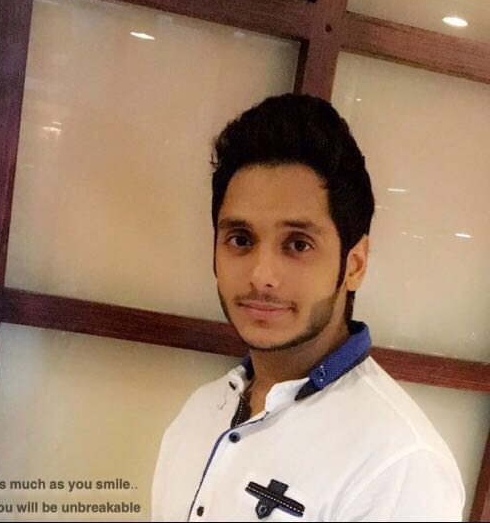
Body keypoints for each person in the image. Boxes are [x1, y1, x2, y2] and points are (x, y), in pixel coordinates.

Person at [151, 93, 464, 521]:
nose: (261, 275)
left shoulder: (399, 466)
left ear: (354, 264)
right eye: (240, 239)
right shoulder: (201, 411)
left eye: (298, 244)